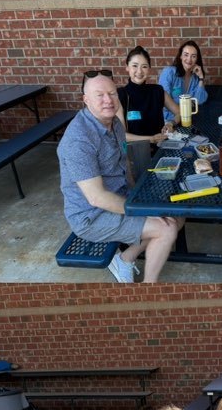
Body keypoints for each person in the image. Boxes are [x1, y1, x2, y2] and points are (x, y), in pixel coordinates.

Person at [57, 70, 181, 284]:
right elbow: (97, 198)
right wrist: (142, 210)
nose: (108, 100)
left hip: (122, 196)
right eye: (100, 95)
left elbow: (124, 165)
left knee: (177, 212)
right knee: (166, 230)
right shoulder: (79, 140)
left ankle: (125, 259)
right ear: (85, 100)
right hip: (92, 216)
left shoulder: (114, 123)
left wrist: (139, 195)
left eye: (112, 93)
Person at [115, 47, 179, 177]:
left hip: (162, 151)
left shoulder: (157, 91)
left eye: (144, 66)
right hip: (135, 157)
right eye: (135, 66)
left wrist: (171, 123)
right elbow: (122, 135)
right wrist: (150, 139)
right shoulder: (120, 95)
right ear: (127, 67)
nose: (139, 71)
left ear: (149, 69)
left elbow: (180, 113)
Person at [158, 40, 208, 124]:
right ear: (180, 56)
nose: (189, 59)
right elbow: (164, 102)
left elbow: (199, 100)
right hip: (168, 121)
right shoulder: (169, 73)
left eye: (193, 56)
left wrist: (201, 78)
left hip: (188, 120)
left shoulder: (195, 78)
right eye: (186, 55)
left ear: (196, 59)